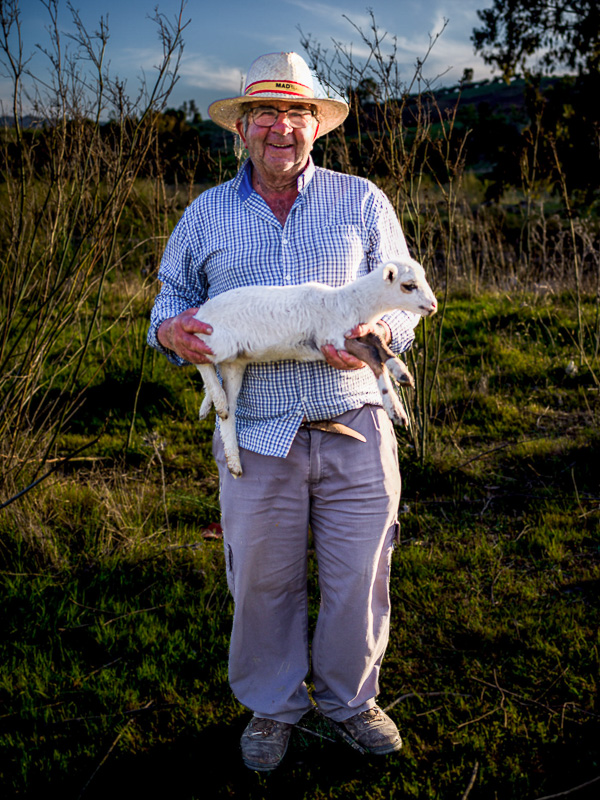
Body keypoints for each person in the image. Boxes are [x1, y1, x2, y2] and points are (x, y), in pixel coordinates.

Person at [147, 52, 421, 772]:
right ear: (242, 128)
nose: (281, 127)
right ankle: (272, 708)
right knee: (261, 580)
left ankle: (349, 699)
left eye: (297, 113)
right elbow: (168, 301)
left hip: (354, 422)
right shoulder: (204, 214)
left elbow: (403, 304)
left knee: (360, 572)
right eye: (265, 113)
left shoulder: (362, 201)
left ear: (315, 127)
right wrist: (170, 333)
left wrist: (381, 336)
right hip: (260, 434)